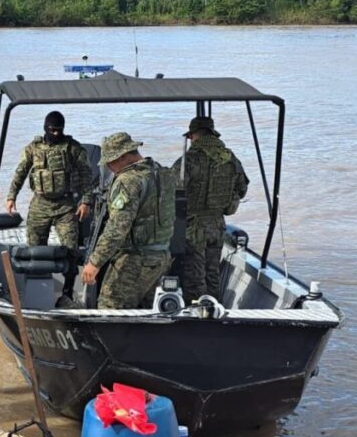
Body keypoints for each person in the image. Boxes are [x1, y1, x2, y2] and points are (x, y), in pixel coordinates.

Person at [5, 111, 97, 304]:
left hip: (65, 206)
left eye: (59, 130)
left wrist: (86, 201)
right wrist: (11, 196)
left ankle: (68, 292)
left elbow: (86, 175)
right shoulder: (33, 148)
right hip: (40, 204)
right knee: (35, 248)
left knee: (71, 249)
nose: (56, 134)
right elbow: (20, 172)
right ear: (46, 128)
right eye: (52, 130)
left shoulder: (73, 148)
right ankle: (37, 289)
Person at [81, 132, 175, 309]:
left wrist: (95, 262)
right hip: (161, 256)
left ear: (123, 156)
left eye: (111, 161)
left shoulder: (128, 181)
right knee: (148, 312)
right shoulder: (164, 173)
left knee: (110, 309)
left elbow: (117, 228)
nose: (109, 166)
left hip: (135, 260)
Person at [172, 116, 249, 303]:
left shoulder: (190, 159)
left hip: (194, 226)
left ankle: (196, 320)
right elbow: (242, 188)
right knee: (212, 274)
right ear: (212, 133)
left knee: (194, 277)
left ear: (192, 135)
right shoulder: (229, 157)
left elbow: (172, 188)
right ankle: (214, 311)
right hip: (217, 224)